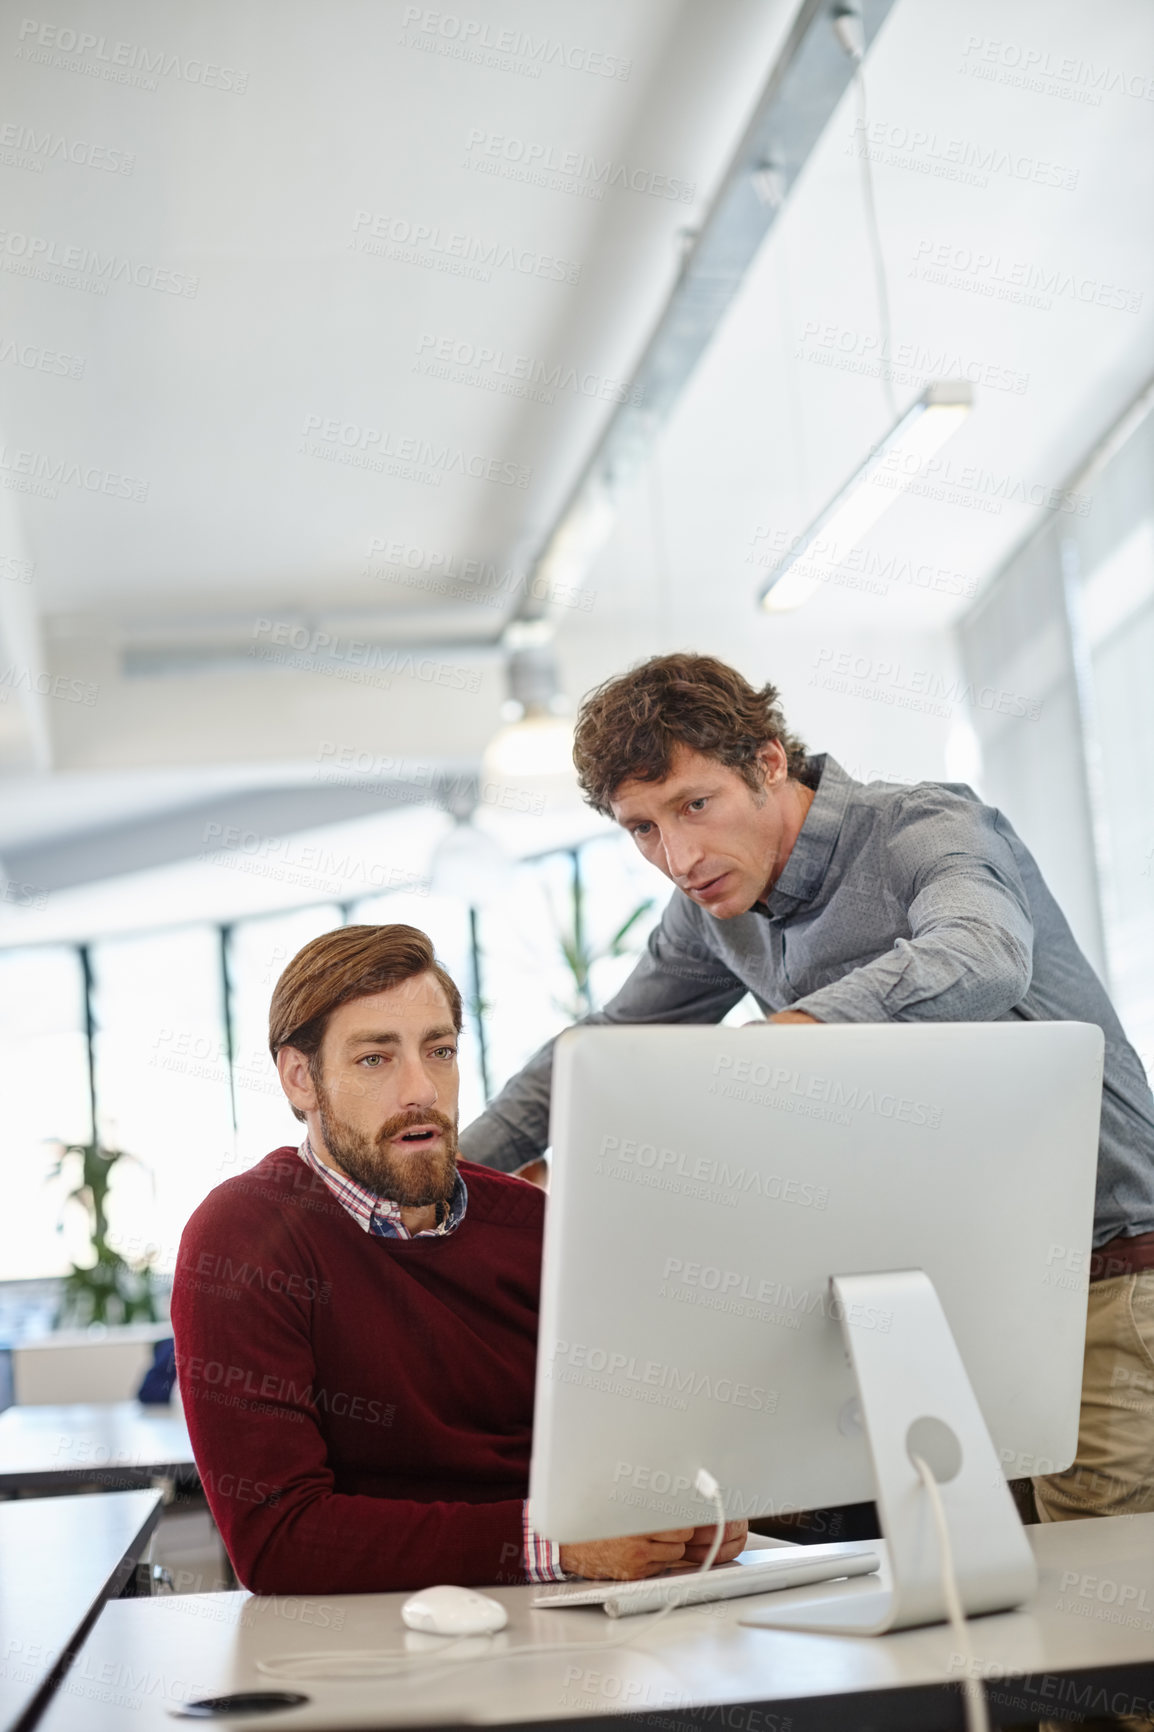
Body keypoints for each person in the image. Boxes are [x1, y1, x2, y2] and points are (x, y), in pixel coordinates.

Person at [460, 653, 1154, 1526]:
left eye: (693, 805)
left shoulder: (925, 830)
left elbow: (981, 956)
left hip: (1109, 1283)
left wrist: (785, 1046)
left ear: (769, 761)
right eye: (642, 829)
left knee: (1104, 1623)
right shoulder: (712, 917)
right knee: (970, 1604)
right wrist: (451, 1175)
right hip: (951, 1305)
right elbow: (603, 1051)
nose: (676, 856)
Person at [171, 923, 746, 1593]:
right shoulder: (242, 1239)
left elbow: (621, 1447)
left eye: (439, 1051)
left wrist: (682, 1510)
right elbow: (278, 1540)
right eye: (374, 1059)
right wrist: (561, 1544)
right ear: (300, 1079)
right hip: (378, 1649)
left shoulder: (533, 1222)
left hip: (587, 1620)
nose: (421, 1090)